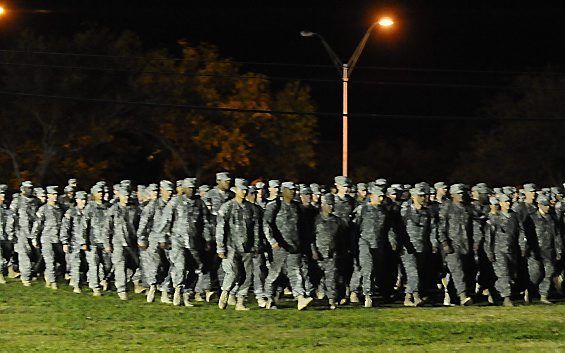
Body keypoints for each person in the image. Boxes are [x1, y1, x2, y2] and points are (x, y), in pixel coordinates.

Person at [263, 181, 314, 310]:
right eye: (291, 190)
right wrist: (272, 241)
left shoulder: (297, 207)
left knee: (296, 272)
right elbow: (266, 224)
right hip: (279, 246)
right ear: (283, 190)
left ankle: (300, 297)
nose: (293, 192)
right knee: (275, 274)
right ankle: (269, 298)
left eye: (295, 190)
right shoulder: (274, 206)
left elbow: (303, 227)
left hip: (294, 246)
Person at [216, 178, 260, 311]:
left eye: (246, 190)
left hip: (247, 246)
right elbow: (221, 228)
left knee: (247, 274)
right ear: (236, 190)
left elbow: (255, 228)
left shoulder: (251, 208)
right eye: (242, 189)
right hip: (231, 246)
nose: (244, 192)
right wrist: (220, 247)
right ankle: (225, 293)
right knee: (232, 273)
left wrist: (256, 244)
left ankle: (240, 301)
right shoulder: (227, 207)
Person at [312, 194, 343, 309]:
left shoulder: (337, 221)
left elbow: (340, 238)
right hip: (318, 254)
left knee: (331, 277)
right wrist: (313, 251)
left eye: (332, 204)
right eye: (328, 204)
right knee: (318, 278)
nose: (331, 207)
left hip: (332, 254)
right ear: (322, 205)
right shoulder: (315, 220)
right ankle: (319, 297)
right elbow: (311, 237)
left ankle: (331, 299)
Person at [31, 186, 64, 289]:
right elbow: (37, 225)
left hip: (58, 239)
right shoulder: (43, 209)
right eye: (52, 194)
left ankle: (49, 278)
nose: (55, 196)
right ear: (48, 195)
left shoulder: (60, 209)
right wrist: (34, 238)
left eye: (56, 194)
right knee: (49, 259)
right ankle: (52, 281)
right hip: (46, 238)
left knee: (56, 261)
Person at [60, 191, 88, 293]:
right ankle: (76, 285)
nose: (83, 202)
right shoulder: (71, 212)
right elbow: (65, 228)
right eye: (81, 199)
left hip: (87, 242)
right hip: (74, 242)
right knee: (75, 264)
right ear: (77, 200)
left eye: (85, 199)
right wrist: (64, 242)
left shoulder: (88, 212)